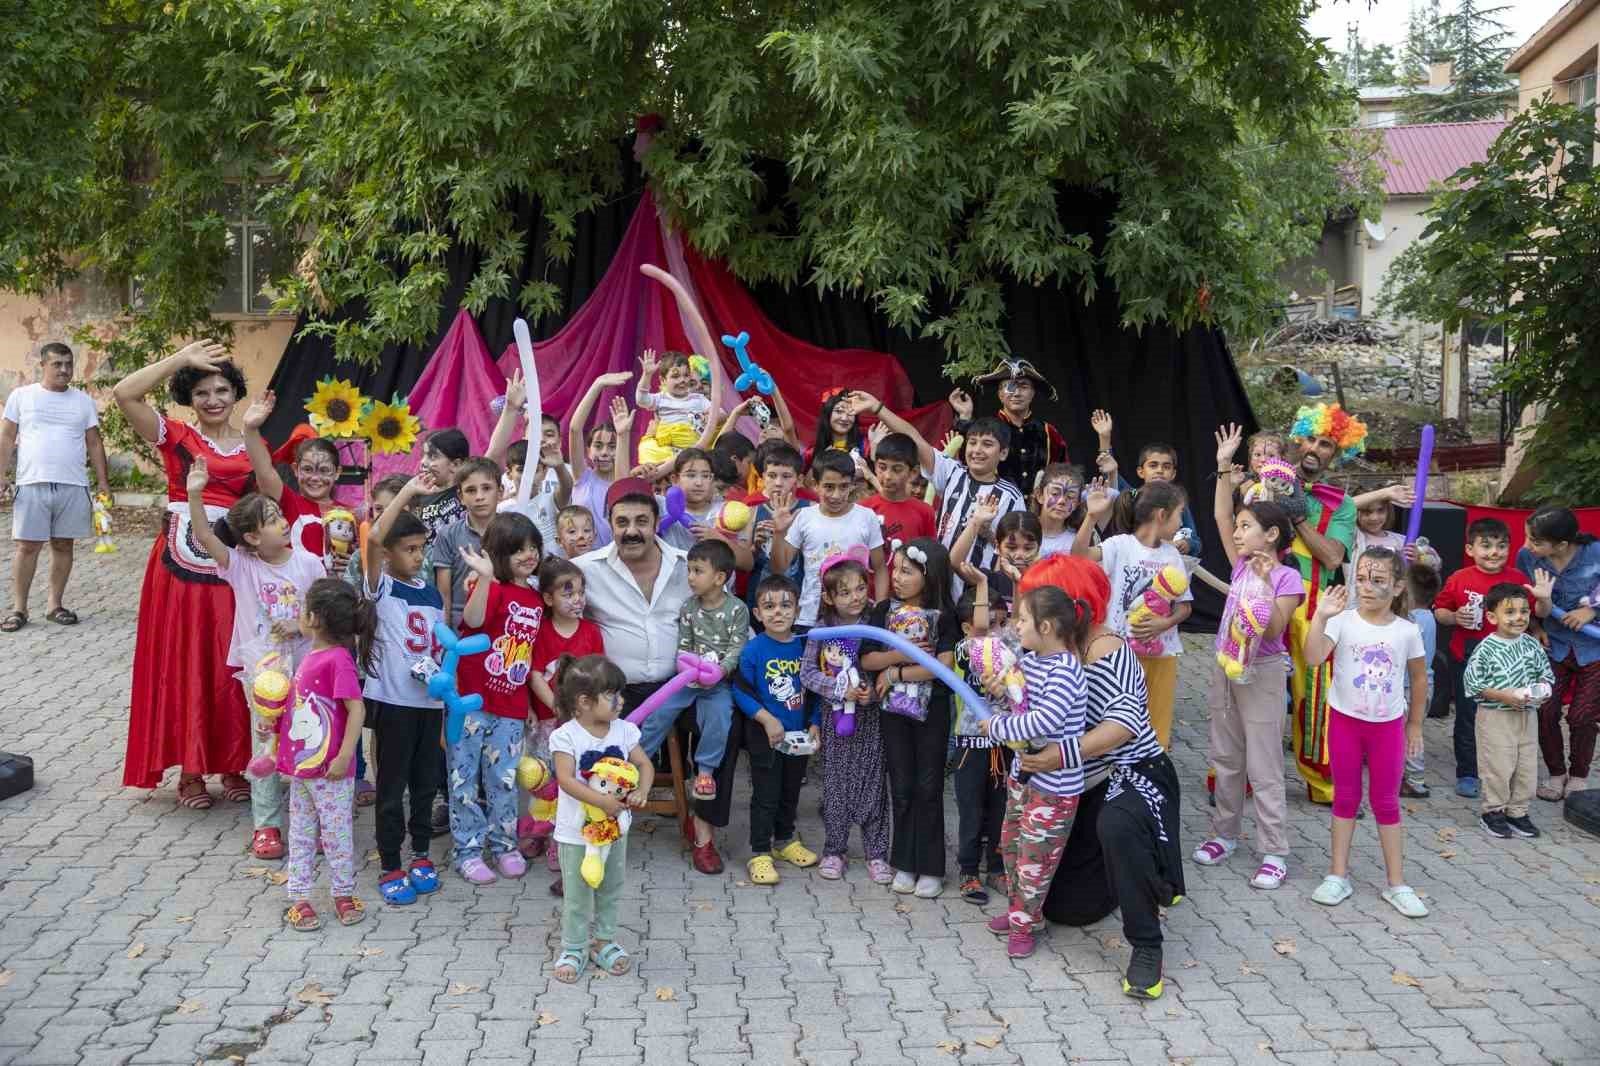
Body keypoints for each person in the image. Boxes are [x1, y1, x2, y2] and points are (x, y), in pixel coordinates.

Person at [1012, 555, 1181, 1000]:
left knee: (1117, 827)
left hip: (1134, 774)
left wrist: (1059, 754)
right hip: (1078, 783)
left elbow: (1124, 722)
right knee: (1066, 908)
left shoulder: (1109, 650)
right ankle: (1125, 872)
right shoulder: (1051, 652)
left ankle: (1146, 945)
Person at [114, 341, 255, 806]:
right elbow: (124, 393)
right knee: (186, 659)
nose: (213, 400)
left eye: (221, 390)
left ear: (236, 394)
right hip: (181, 563)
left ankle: (234, 763)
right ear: (188, 399)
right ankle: (191, 771)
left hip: (232, 558)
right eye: (201, 392)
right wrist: (178, 359)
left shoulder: (252, 440)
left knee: (230, 660)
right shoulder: (174, 436)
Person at [573, 480, 729, 872]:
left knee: (728, 727)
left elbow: (728, 599)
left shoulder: (687, 565)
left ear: (657, 522)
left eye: (642, 520)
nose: (631, 530)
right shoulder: (585, 570)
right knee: (592, 748)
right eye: (621, 521)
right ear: (608, 523)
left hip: (685, 686)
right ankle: (587, 844)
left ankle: (704, 833)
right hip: (618, 692)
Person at [186, 456, 325, 859]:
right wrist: (195, 494)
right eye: (272, 519)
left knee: (308, 744)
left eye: (281, 515)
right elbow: (203, 536)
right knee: (265, 747)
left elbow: (326, 615)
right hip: (263, 677)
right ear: (250, 537)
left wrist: (302, 626)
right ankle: (267, 826)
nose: (283, 522)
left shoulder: (309, 563)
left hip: (306, 670)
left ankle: (308, 821)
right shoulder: (241, 567)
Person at [1197, 424, 1303, 889]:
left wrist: (1261, 587)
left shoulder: (1286, 578)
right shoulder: (1240, 561)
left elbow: (1276, 630)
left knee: (1264, 765)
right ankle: (1226, 834)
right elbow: (1220, 517)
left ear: (1272, 533)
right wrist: (1224, 466)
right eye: (1239, 527)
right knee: (1227, 757)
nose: (1237, 534)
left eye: (1247, 527)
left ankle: (1274, 850)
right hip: (1226, 667)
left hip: (1261, 674)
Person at [1302, 547, 1428, 918]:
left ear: (1398, 586)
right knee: (1345, 797)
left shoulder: (1407, 631)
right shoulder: (1342, 621)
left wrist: (1415, 724)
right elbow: (1311, 658)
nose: (1367, 587)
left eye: (1377, 580)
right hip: (1345, 723)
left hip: (1387, 727)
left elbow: (1419, 678)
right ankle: (1337, 874)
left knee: (1386, 801)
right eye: (1361, 578)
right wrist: (1320, 617)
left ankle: (1397, 884)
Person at [977, 584, 1090, 959]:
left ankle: (1025, 924)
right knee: (1011, 846)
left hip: (1055, 787)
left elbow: (1042, 723)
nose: (1016, 626)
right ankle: (1021, 912)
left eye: (1023, 619)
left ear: (1046, 627)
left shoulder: (1067, 670)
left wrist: (996, 727)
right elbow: (1017, 701)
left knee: (1035, 859)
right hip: (1023, 777)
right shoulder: (1029, 660)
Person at [360, 473, 447, 905]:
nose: (417, 556)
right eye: (408, 549)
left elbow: (438, 646)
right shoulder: (380, 587)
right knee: (391, 787)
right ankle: (390, 861)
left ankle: (420, 854)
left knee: (426, 783)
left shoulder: (431, 594)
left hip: (428, 704)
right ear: (390, 554)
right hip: (392, 703)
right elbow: (374, 539)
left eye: (421, 549)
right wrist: (409, 494)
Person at [860, 538, 960, 898]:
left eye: (907, 571)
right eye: (895, 569)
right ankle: (903, 861)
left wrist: (900, 674)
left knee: (929, 786)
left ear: (928, 576)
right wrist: (897, 657)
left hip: (932, 712)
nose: (897, 577)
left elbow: (943, 667)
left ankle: (931, 867)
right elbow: (867, 659)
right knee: (901, 786)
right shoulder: (884, 610)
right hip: (892, 713)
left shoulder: (945, 614)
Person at [274, 579, 376, 931]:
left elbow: (356, 709)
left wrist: (345, 756)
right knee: (301, 832)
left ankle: (343, 893)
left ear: (314, 618)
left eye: (303, 608)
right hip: (303, 768)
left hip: (331, 769)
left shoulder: (337, 661)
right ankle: (298, 897)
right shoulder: (309, 657)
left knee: (336, 834)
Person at [450, 512, 546, 884]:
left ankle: (504, 844)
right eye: (518, 549)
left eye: (532, 547)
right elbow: (472, 622)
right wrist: (486, 578)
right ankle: (468, 850)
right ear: (498, 553)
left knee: (504, 780)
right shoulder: (488, 585)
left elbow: (532, 654)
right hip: (471, 702)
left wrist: (532, 708)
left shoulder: (536, 599)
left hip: (511, 706)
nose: (528, 555)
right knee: (463, 778)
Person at [858, 392, 1026, 598]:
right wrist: (877, 408)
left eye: (987, 444)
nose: (977, 450)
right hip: (939, 589)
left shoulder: (1011, 497)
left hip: (982, 595)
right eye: (972, 442)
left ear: (1003, 453)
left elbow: (1017, 553)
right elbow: (914, 438)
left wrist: (988, 533)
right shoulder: (951, 471)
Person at [548, 654, 653, 982]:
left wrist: (642, 791)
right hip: (575, 834)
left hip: (615, 832)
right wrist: (602, 801)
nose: (620, 701)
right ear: (583, 701)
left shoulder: (625, 731)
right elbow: (565, 779)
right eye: (612, 695)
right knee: (578, 892)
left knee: (611, 887)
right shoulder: (566, 736)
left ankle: (604, 942)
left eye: (620, 694)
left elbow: (644, 766)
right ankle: (575, 946)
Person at [1282, 402, 1363, 804]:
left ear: (1337, 452)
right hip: (1261, 602)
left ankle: (1321, 784)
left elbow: (1332, 557)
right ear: (1299, 439)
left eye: (1326, 443)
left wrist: (1297, 517)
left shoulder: (1342, 504)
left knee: (1315, 698)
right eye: (1311, 439)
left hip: (1313, 613)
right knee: (1245, 691)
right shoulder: (1269, 482)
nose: (1315, 448)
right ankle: (1234, 779)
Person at [1072, 479, 1192, 749]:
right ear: (1162, 514)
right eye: (1179, 514)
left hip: (1162, 655)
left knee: (1157, 723)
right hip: (1119, 653)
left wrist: (1165, 623)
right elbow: (1079, 556)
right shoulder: (1119, 545)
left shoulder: (1172, 554)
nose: (1181, 522)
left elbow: (1184, 607)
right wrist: (1091, 517)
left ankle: (1152, 769)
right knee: (1114, 718)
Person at [0, 342, 110, 631]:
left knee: (63, 545)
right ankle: (19, 609)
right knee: (28, 547)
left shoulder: (83, 401)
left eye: (68, 364)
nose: (64, 369)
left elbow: (94, 442)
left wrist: (103, 483)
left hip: (73, 484)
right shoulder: (22, 397)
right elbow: (7, 438)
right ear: (43, 366)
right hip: (32, 482)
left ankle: (54, 605)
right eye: (57, 364)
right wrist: (1, 476)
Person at [800, 551, 889, 883]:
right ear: (828, 596)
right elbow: (807, 674)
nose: (855, 598)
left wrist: (872, 693)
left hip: (871, 720)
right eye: (845, 592)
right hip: (833, 719)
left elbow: (886, 667)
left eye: (860, 589)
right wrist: (838, 689)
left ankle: (877, 854)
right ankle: (834, 850)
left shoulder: (876, 625)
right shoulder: (821, 630)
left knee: (874, 785)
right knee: (836, 785)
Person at [637, 539, 747, 799]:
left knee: (720, 717)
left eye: (698, 571)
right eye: (690, 570)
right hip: (686, 681)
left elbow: (737, 648)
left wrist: (721, 670)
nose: (690, 577)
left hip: (718, 683)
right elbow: (684, 645)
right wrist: (685, 664)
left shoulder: (737, 610)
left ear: (719, 577)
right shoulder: (689, 607)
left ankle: (705, 771)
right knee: (658, 712)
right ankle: (635, 761)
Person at [1435, 517, 1533, 799]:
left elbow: (1534, 613)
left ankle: (1508, 769)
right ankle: (1467, 772)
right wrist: (1454, 617)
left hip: (1510, 662)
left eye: (1501, 546)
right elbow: (1439, 611)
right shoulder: (1459, 579)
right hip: (1466, 656)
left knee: (1509, 717)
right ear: (1470, 549)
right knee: (1468, 715)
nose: (1494, 552)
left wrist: (1537, 627)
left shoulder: (1518, 579)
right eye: (1486, 546)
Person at [732, 574, 819, 884]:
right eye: (769, 607)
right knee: (766, 795)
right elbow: (740, 691)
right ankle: (759, 853)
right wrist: (767, 719)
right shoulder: (754, 650)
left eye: (785, 605)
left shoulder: (804, 646)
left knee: (790, 791)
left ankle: (785, 841)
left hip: (798, 739)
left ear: (797, 610)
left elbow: (816, 690)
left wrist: (815, 724)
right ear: (757, 613)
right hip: (765, 736)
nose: (778, 613)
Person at [1520, 506, 1600, 798]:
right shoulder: (1527, 557)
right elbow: (1524, 597)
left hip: (1594, 649)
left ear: (1563, 544)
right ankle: (1556, 774)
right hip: (1553, 645)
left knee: (1581, 716)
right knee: (1545, 707)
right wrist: (1535, 623)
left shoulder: (1595, 553)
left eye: (1535, 541)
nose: (1527, 546)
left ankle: (1579, 776)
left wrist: (1591, 610)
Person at [1464, 582, 1554, 839]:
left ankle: (1518, 812)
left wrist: (1542, 691)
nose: (1519, 618)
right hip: (1496, 715)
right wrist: (1505, 696)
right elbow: (1473, 684)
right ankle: (1492, 811)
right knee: (1498, 764)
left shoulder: (1531, 645)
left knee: (1526, 764)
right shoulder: (1486, 649)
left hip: (1527, 714)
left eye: (1524, 611)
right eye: (1510, 612)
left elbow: (1546, 675)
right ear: (1492, 617)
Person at [769, 448, 887, 623]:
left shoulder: (866, 516)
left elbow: (879, 569)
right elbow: (779, 569)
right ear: (815, 485)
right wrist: (779, 533)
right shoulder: (804, 516)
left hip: (857, 619)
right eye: (829, 487)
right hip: (810, 618)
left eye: (843, 486)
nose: (836, 495)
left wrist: (880, 610)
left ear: (852, 484)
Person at [949, 567, 1009, 904]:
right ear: (966, 628)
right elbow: (983, 633)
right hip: (971, 747)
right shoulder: (964, 650)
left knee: (1001, 810)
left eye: (1001, 624)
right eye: (987, 625)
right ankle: (969, 870)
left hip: (1003, 747)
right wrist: (983, 584)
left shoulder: (1008, 653)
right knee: (972, 811)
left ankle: (998, 867)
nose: (994, 632)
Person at [953, 358, 1068, 495]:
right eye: (1010, 386)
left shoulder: (1049, 432)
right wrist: (965, 417)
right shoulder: (985, 429)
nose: (1017, 393)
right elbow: (961, 465)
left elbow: (1064, 475)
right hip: (993, 509)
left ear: (1032, 393)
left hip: (1036, 513)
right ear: (1000, 394)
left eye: (1024, 387)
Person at [563, 372, 633, 547]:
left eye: (612, 446)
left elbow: (622, 480)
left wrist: (623, 434)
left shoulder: (622, 482)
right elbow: (574, 429)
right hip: (580, 562)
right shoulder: (582, 477)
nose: (604, 452)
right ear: (588, 450)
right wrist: (597, 384)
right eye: (598, 445)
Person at [432, 458, 504, 627]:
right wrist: (446, 636)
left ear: (500, 492)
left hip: (503, 620)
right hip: (460, 625)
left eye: (486, 488)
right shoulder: (448, 534)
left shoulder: (513, 530)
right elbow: (444, 594)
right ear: (460, 497)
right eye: (471, 490)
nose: (479, 497)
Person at [860, 431, 936, 553]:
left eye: (897, 469)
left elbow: (930, 556)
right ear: (875, 467)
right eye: (882, 467)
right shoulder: (863, 509)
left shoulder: (925, 512)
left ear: (913, 473)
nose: (888, 476)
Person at [635, 348, 714, 466]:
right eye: (676, 376)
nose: (682, 380)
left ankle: (679, 461)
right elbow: (641, 400)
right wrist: (647, 375)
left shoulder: (697, 399)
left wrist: (707, 416)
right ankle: (670, 463)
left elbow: (719, 412)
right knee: (645, 449)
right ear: (663, 380)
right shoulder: (660, 398)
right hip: (667, 448)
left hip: (689, 445)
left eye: (686, 375)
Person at [1404, 563, 1442, 798]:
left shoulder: (1410, 620)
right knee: (1414, 732)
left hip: (1408, 687)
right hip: (1426, 684)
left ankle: (1408, 779)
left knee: (1406, 733)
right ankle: (1416, 779)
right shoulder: (1429, 616)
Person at [413, 429, 470, 548]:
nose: (423, 462)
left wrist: (509, 411)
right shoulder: (416, 497)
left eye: (433, 456)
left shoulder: (468, 491)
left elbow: (494, 451)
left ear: (456, 464)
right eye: (423, 455)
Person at [1034, 464, 1086, 560]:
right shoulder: (1022, 531)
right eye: (1055, 493)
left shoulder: (1078, 542)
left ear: (1077, 503)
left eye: (1070, 497)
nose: (1062, 501)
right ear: (1039, 495)